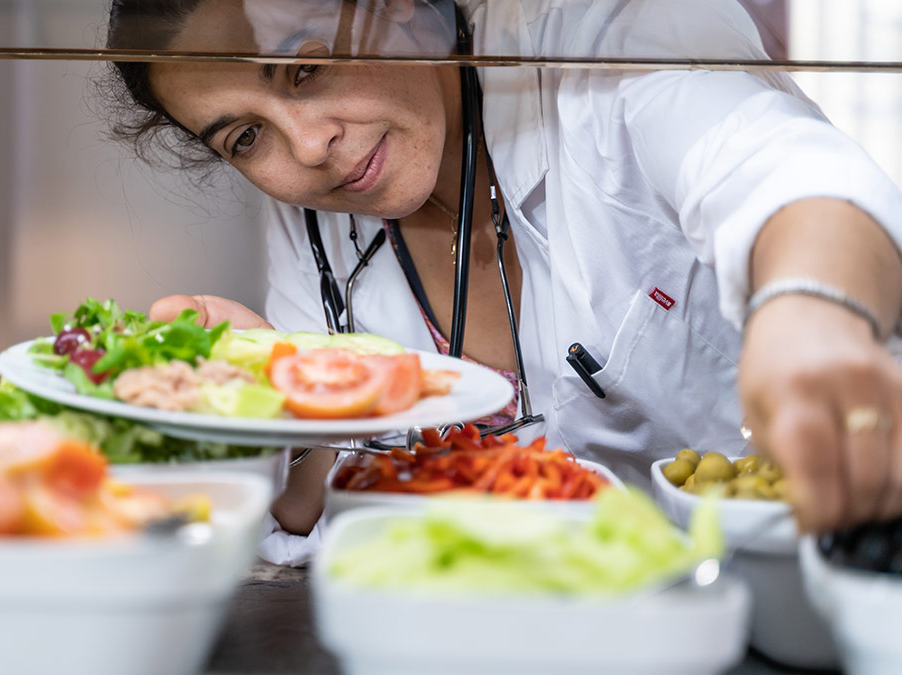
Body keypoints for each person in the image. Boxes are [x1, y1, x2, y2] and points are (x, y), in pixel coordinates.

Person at [105, 0, 902, 564]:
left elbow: (790, 182)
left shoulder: (602, 35)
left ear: (402, 4)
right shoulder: (313, 213)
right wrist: (273, 414)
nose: (308, 147)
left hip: (790, 585)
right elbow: (332, 489)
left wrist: (813, 317)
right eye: (247, 137)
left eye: (306, 70)